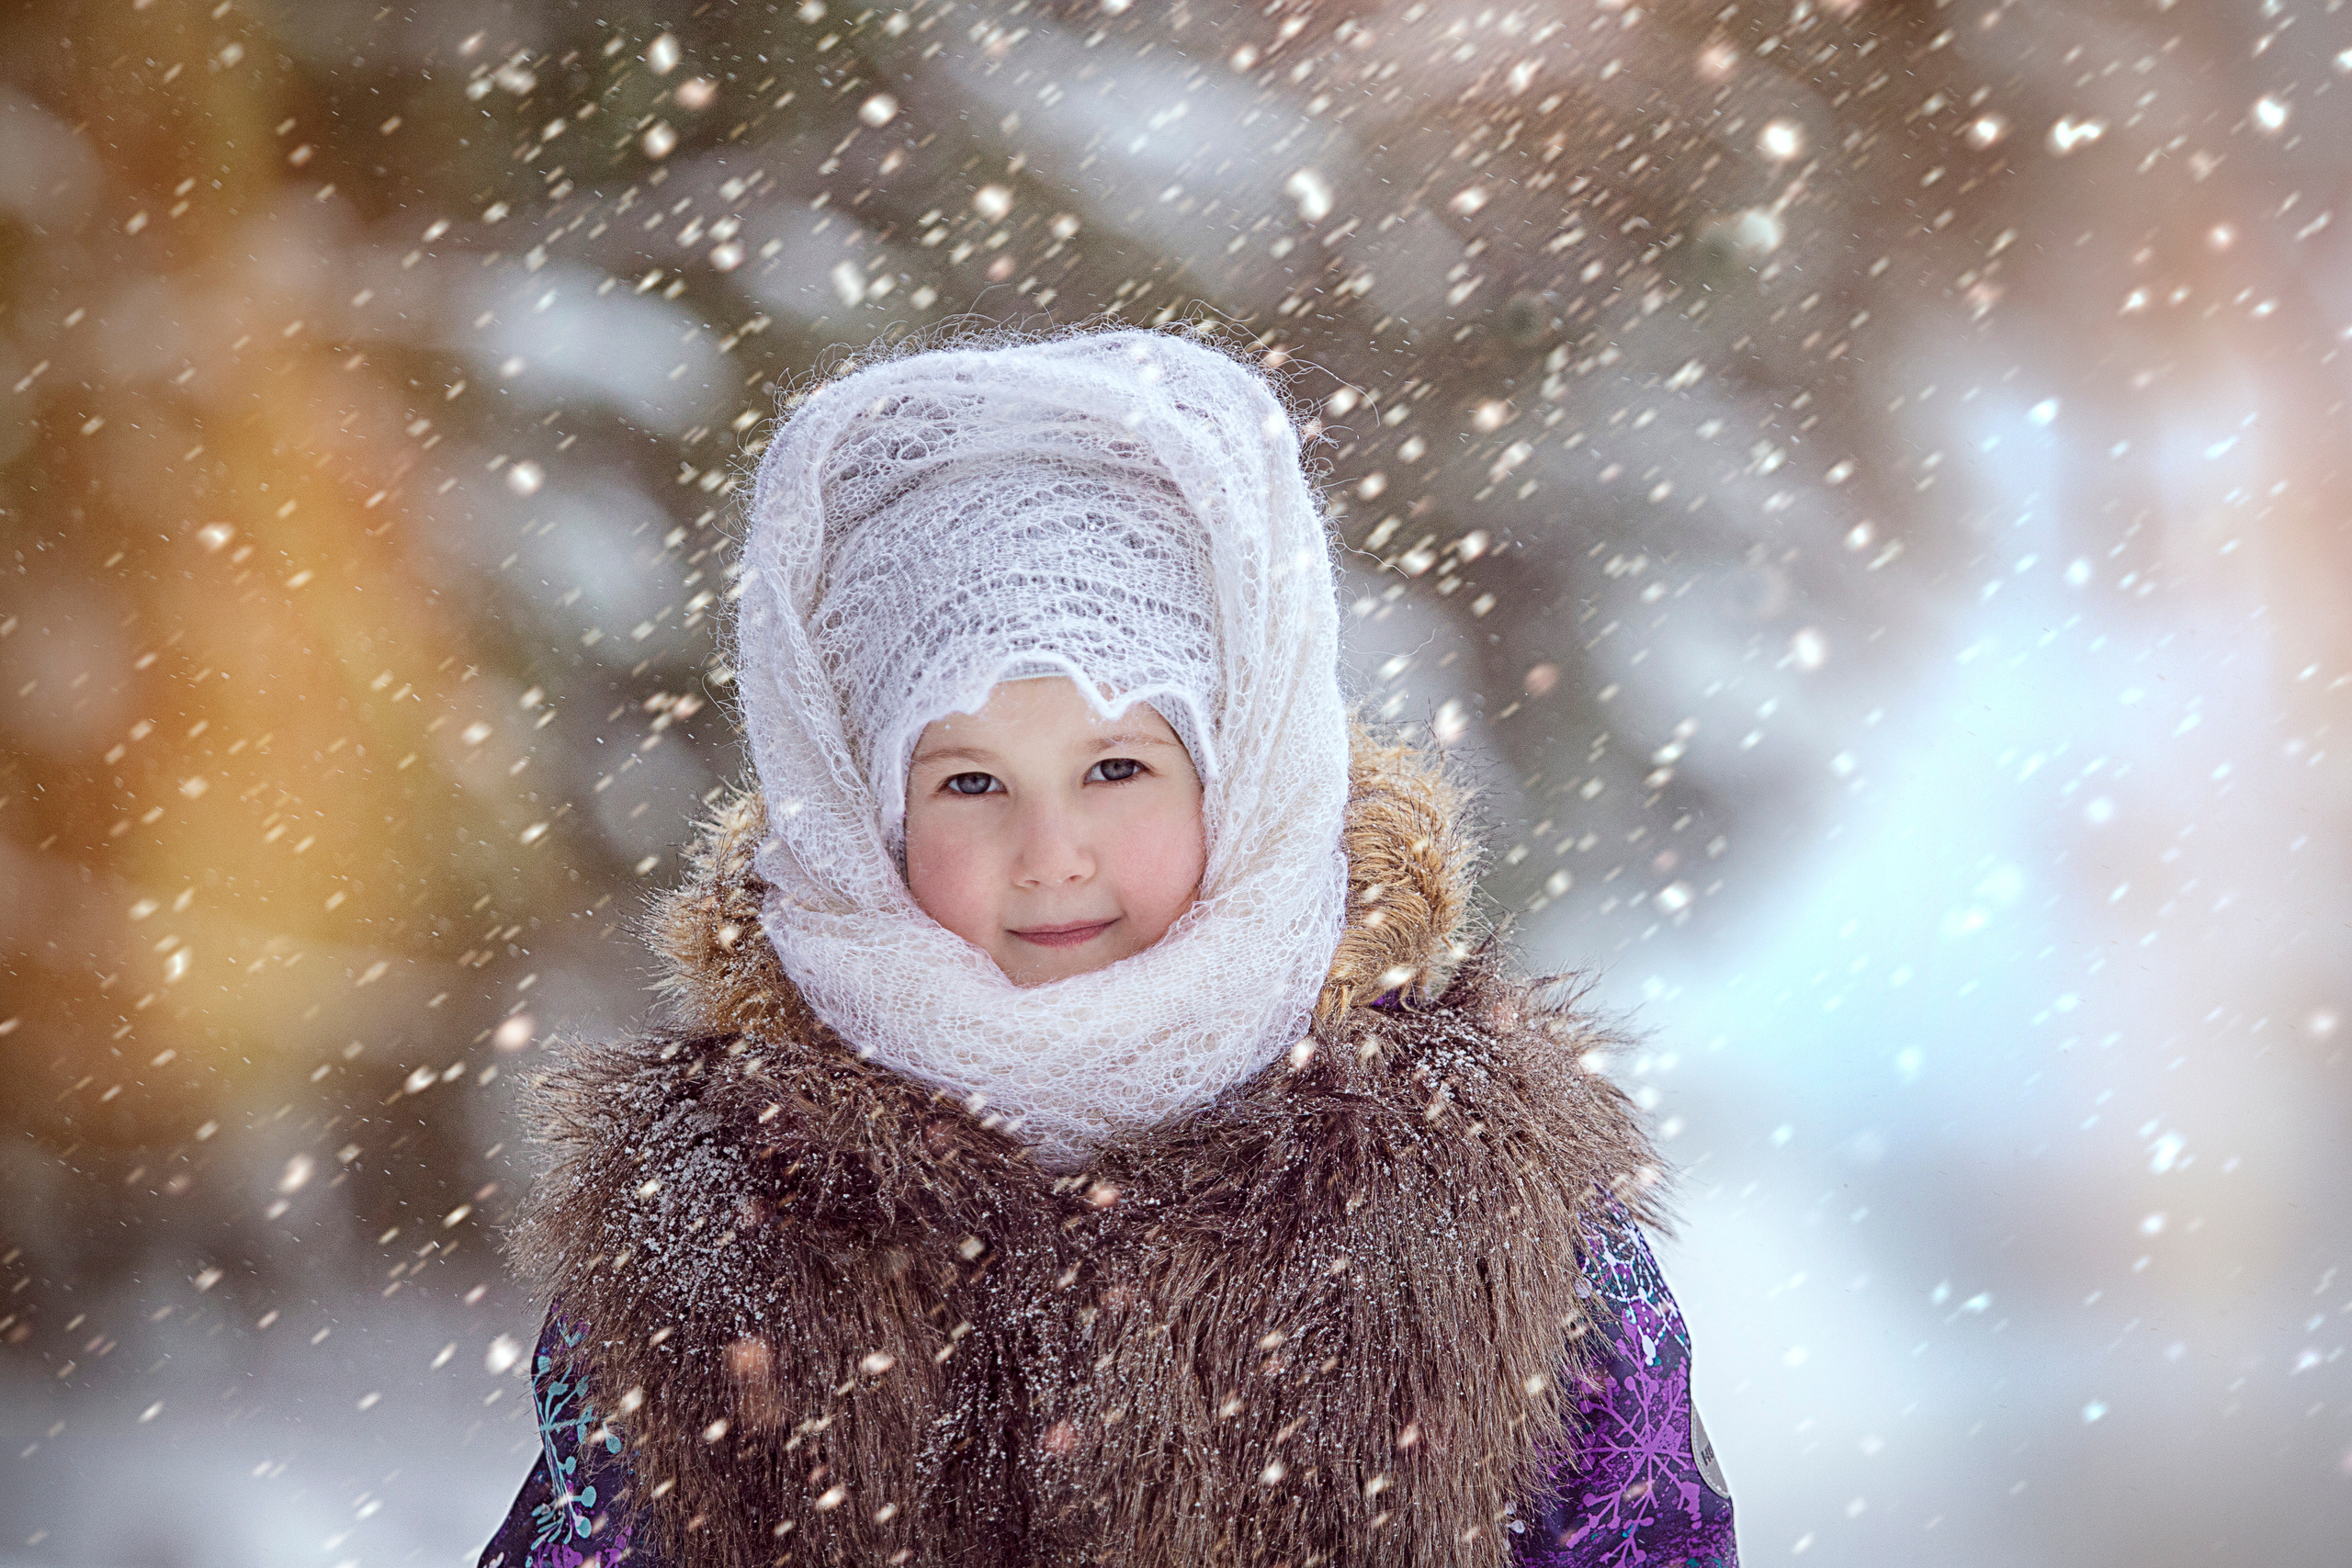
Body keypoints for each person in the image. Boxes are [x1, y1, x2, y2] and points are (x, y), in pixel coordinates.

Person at [477, 327, 1737, 1567]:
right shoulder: (718, 1232)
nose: (1052, 851)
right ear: (863, 816)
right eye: (970, 783)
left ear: (1239, 777)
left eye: (1117, 766)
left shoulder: (1479, 1195)